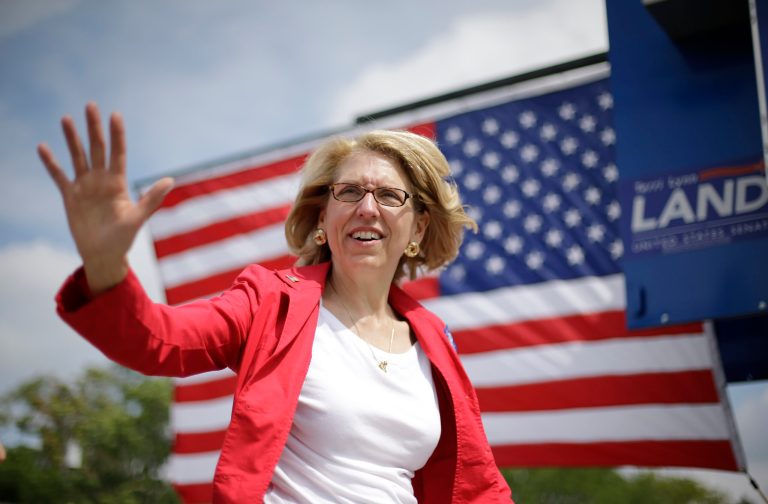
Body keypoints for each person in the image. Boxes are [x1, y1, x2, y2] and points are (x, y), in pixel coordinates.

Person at [39, 102, 513, 503]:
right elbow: (159, 340)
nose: (367, 207)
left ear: (419, 229)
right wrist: (105, 265)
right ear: (323, 217)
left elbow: (479, 485)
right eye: (349, 192)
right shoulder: (269, 301)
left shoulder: (433, 337)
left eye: (390, 195)